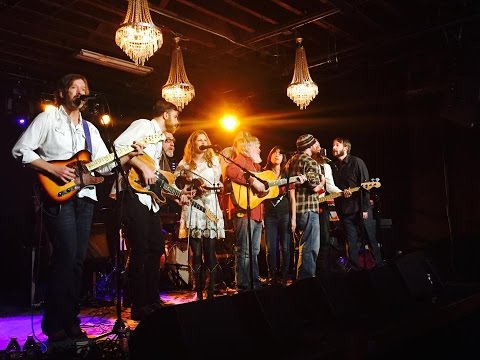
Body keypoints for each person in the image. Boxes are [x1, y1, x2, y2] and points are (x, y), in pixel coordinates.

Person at [11, 73, 143, 342]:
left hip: (85, 197)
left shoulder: (90, 129)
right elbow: (21, 150)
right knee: (65, 256)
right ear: (63, 93)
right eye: (75, 88)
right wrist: (53, 168)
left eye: (85, 88)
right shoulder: (48, 119)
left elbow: (104, 165)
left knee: (77, 261)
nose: (81, 92)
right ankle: (53, 324)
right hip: (58, 195)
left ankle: (71, 320)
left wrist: (129, 154)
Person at [113, 98, 182, 321]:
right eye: (175, 116)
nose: (177, 121)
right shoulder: (144, 125)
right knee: (140, 249)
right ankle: (138, 304)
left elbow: (155, 174)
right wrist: (140, 165)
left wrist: (178, 194)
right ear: (165, 115)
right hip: (133, 196)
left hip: (148, 199)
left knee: (155, 248)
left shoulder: (158, 138)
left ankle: (152, 299)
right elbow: (118, 147)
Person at [175, 130, 225, 300]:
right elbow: (177, 186)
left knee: (210, 251)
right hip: (194, 208)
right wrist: (191, 188)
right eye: (199, 140)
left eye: (205, 139)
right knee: (196, 253)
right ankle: (198, 292)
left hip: (210, 205)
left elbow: (218, 181)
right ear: (193, 143)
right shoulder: (185, 164)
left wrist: (217, 186)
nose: (203, 142)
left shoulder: (214, 161)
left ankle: (210, 291)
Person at [331, 137, 383, 271]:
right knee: (351, 243)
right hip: (344, 211)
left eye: (337, 145)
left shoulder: (357, 162)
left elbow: (366, 186)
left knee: (371, 239)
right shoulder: (333, 167)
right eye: (333, 145)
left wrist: (365, 209)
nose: (334, 148)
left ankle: (380, 268)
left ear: (346, 148)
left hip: (360, 208)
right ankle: (355, 273)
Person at [225, 132, 266, 291]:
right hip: (243, 211)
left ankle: (253, 281)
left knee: (254, 250)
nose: (260, 149)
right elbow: (231, 171)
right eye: (257, 146)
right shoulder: (240, 161)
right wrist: (252, 180)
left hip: (256, 212)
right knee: (245, 250)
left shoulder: (256, 165)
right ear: (247, 147)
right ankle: (243, 284)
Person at [285, 134, 325, 280]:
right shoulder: (311, 162)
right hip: (309, 209)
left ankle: (299, 278)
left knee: (300, 248)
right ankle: (306, 281)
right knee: (310, 247)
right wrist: (322, 181)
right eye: (315, 143)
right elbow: (315, 189)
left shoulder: (290, 161)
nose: (317, 145)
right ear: (309, 146)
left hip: (295, 211)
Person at [311, 141, 346, 273]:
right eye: (315, 145)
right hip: (306, 206)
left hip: (321, 206)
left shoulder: (325, 166)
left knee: (325, 239)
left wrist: (341, 193)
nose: (319, 147)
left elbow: (329, 186)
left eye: (319, 145)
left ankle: (321, 271)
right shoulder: (303, 162)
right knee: (309, 242)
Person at [262, 146, 293, 287]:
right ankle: (272, 277)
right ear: (269, 156)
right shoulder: (264, 173)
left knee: (285, 247)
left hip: (285, 214)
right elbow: (259, 198)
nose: (277, 155)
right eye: (274, 153)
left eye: (280, 154)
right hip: (269, 216)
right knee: (270, 248)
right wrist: (261, 217)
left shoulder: (288, 174)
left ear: (283, 158)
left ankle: (285, 276)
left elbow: (292, 198)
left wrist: (293, 219)